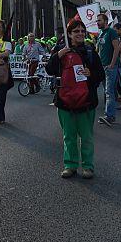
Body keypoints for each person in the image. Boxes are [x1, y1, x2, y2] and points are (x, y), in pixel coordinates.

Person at [46, 18, 105, 179]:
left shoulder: (90, 51)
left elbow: (100, 74)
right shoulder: (60, 49)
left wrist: (90, 74)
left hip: (86, 100)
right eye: (76, 31)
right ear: (69, 34)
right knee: (69, 136)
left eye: (82, 31)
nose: (79, 34)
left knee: (86, 137)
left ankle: (88, 166)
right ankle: (70, 165)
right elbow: (49, 70)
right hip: (65, 100)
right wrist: (58, 55)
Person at [95, 13, 121, 127]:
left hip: (110, 67)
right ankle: (109, 114)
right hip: (102, 66)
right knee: (107, 91)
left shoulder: (112, 32)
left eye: (99, 20)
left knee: (109, 92)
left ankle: (109, 116)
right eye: (97, 21)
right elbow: (98, 50)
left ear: (106, 21)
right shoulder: (100, 33)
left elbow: (117, 49)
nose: (97, 22)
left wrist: (112, 64)